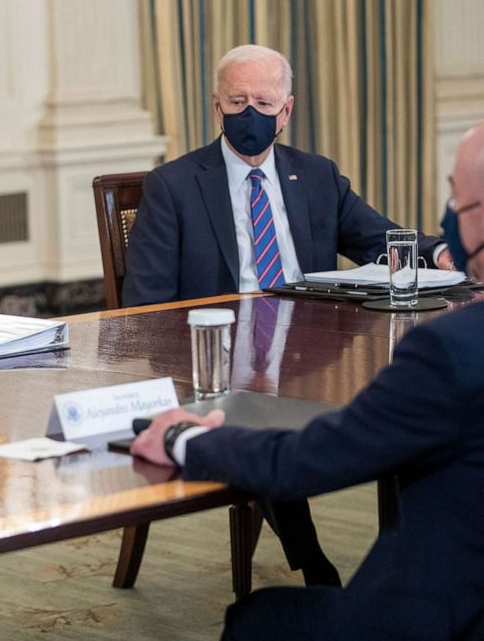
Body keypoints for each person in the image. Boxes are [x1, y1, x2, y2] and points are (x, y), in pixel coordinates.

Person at [129, 122, 484, 639]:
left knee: (256, 620)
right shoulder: (174, 183)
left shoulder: (448, 350)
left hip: (440, 615)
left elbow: (307, 463)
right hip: (208, 356)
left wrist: (182, 437)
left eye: (455, 195)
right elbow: (147, 307)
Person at [122, 44, 451, 306]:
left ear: (286, 112)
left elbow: (379, 239)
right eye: (237, 101)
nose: (249, 113)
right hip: (218, 351)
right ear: (217, 107)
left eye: (264, 103)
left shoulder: (316, 175)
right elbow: (148, 303)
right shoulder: (172, 186)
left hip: (310, 348)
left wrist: (439, 253)